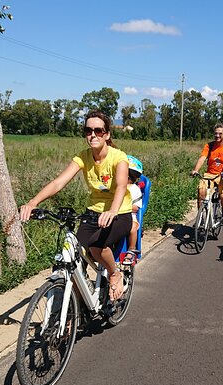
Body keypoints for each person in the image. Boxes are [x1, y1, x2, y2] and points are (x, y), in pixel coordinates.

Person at [19, 110, 132, 301]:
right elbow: (58, 182)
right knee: (76, 256)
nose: (93, 135)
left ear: (107, 134)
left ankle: (114, 274)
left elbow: (121, 186)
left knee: (96, 247)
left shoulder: (118, 157)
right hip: (92, 213)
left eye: (98, 130)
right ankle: (76, 310)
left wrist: (112, 211)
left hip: (119, 213)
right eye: (88, 131)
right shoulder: (83, 157)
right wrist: (33, 202)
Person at [190, 123, 223, 226]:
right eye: (216, 133)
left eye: (220, 134)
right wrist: (196, 170)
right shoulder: (209, 146)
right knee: (201, 192)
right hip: (209, 174)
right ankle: (201, 217)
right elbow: (202, 158)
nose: (217, 136)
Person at [122, 155, 143, 266]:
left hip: (130, 215)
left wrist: (121, 207)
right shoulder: (115, 187)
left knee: (132, 228)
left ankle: (131, 249)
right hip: (114, 215)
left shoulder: (134, 189)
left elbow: (136, 207)